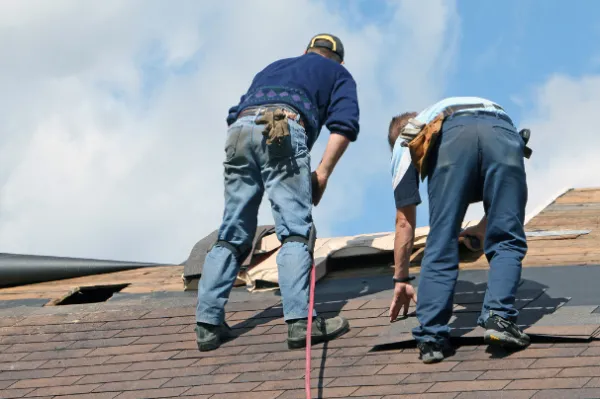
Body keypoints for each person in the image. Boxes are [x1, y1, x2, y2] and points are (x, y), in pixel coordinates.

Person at [195, 34, 360, 351]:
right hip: (283, 126)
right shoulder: (339, 74)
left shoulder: (274, 67)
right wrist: (322, 173)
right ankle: (302, 323)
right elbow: (344, 126)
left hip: (240, 131)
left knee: (233, 230)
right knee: (295, 230)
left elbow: (237, 112)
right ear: (337, 59)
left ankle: (207, 324)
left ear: (306, 51)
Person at [387, 97, 530, 363]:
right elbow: (506, 210)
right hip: (503, 132)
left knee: (441, 240)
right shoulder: (449, 109)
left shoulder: (406, 138)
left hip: (453, 141)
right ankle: (499, 319)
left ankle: (431, 337)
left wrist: (401, 279)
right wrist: (484, 227)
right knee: (507, 239)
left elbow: (404, 222)